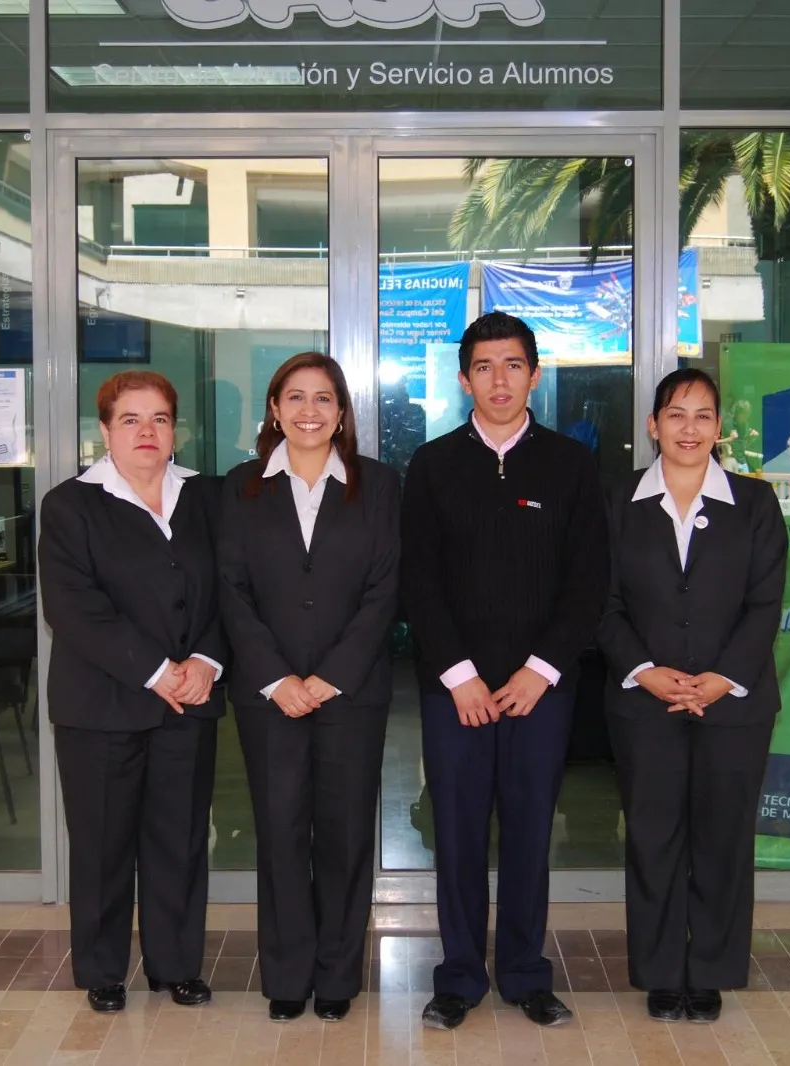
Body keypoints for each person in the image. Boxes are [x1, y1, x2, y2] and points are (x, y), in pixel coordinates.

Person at [400, 312, 610, 1031]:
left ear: (535, 375)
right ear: (464, 378)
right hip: (451, 688)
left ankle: (524, 972)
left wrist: (540, 670)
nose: (499, 379)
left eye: (513, 365)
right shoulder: (431, 466)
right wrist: (457, 673)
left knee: (528, 831)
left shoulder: (571, 465)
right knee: (455, 833)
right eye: (485, 367)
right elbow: (417, 579)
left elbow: (589, 581)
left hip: (539, 691)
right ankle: (459, 976)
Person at [598, 367, 788, 1024]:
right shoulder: (615, 503)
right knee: (652, 836)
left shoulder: (755, 504)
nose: (689, 427)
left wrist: (721, 676)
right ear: (653, 425)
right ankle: (657, 970)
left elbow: (766, 603)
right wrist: (645, 670)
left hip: (732, 703)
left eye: (703, 415)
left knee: (722, 837)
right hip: (642, 701)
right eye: (676, 414)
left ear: (719, 430)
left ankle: (708, 969)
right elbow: (602, 603)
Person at [219, 353, 401, 1024]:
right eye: (294, 398)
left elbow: (386, 588)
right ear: (273, 409)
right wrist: (276, 677)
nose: (309, 412)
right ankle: (288, 977)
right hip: (268, 697)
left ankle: (338, 978)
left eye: (323, 399)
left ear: (343, 413)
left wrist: (329, 677)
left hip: (350, 693)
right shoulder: (239, 488)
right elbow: (230, 590)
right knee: (281, 833)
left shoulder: (377, 485)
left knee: (346, 835)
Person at [39, 370, 225, 1015]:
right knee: (102, 845)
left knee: (178, 841)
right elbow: (73, 608)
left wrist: (205, 659)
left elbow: (235, 589)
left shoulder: (210, 498)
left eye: (160, 420)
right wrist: (156, 671)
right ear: (104, 430)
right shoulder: (70, 505)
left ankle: (176, 966)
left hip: (191, 700)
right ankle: (103, 969)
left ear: (178, 430)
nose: (147, 432)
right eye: (131, 420)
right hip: (101, 706)